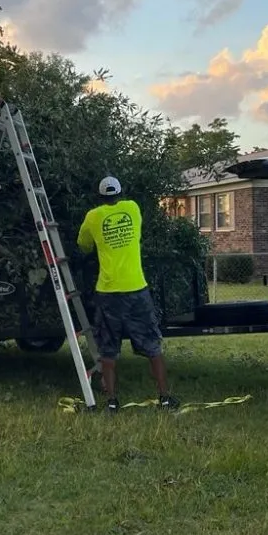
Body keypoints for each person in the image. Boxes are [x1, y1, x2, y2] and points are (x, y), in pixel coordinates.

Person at [77, 175, 179, 412]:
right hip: (137, 289)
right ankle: (164, 398)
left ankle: (112, 402)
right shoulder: (133, 208)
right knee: (152, 346)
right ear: (121, 193)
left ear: (100, 196)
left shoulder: (93, 217)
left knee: (108, 349)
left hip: (108, 292)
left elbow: (83, 245)